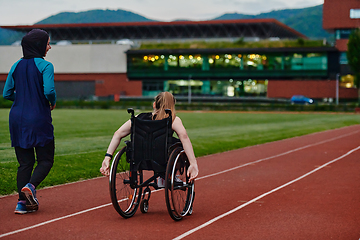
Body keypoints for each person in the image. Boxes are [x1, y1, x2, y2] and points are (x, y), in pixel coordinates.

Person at [2, 29, 56, 214]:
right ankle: (31, 187)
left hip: (16, 118)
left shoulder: (15, 66)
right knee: (46, 159)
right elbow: (49, 90)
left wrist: (23, 98)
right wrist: (52, 101)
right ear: (39, 45)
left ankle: (21, 204)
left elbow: (7, 93)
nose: (49, 47)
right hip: (38, 117)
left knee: (25, 163)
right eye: (48, 43)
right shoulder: (46, 66)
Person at [100, 91, 199, 184]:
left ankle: (163, 177)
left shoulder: (139, 118)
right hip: (162, 157)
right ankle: (166, 176)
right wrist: (193, 163)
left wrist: (107, 157)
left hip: (139, 157)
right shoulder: (173, 119)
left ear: (154, 105)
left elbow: (118, 133)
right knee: (178, 145)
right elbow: (184, 137)